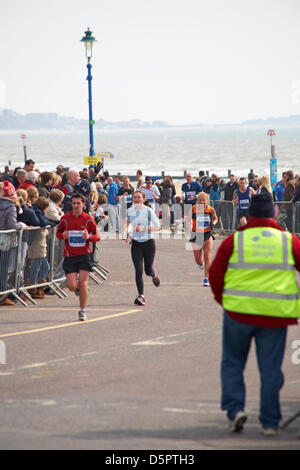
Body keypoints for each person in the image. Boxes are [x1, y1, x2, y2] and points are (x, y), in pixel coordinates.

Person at [209, 192, 300, 436]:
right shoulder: (288, 240)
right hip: (274, 316)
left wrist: (224, 301)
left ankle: (235, 411)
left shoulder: (234, 241)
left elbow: (215, 275)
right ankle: (270, 422)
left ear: (248, 216)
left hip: (238, 313)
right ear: (274, 214)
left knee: (232, 363)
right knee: (270, 369)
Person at [56, 193, 100, 321]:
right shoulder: (65, 218)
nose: (76, 205)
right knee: (71, 286)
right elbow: (58, 233)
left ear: (83, 204)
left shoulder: (88, 219)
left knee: (83, 283)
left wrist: (89, 237)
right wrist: (62, 235)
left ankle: (82, 310)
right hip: (70, 255)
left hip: (84, 255)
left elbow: (97, 236)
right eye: (74, 203)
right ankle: (77, 290)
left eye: (78, 203)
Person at [126, 190, 161, 306]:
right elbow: (127, 223)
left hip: (148, 243)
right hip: (136, 244)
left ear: (143, 199)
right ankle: (141, 295)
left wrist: (143, 229)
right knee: (138, 270)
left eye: (139, 197)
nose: (136, 199)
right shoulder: (129, 211)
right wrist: (126, 233)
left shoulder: (148, 211)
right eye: (134, 197)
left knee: (147, 270)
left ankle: (153, 274)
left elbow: (158, 227)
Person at [0, 181, 29, 306]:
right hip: (7, 240)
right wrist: (22, 225)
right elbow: (12, 224)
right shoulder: (10, 206)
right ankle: (3, 293)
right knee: (5, 267)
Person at [186, 192, 217, 287]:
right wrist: (189, 229)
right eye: (200, 200)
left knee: (207, 256)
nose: (202, 201)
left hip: (207, 234)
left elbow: (215, 218)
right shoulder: (194, 209)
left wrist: (213, 223)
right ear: (197, 201)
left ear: (207, 200)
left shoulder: (210, 209)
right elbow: (187, 221)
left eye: (204, 200)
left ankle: (206, 278)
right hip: (196, 234)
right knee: (198, 260)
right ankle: (201, 264)